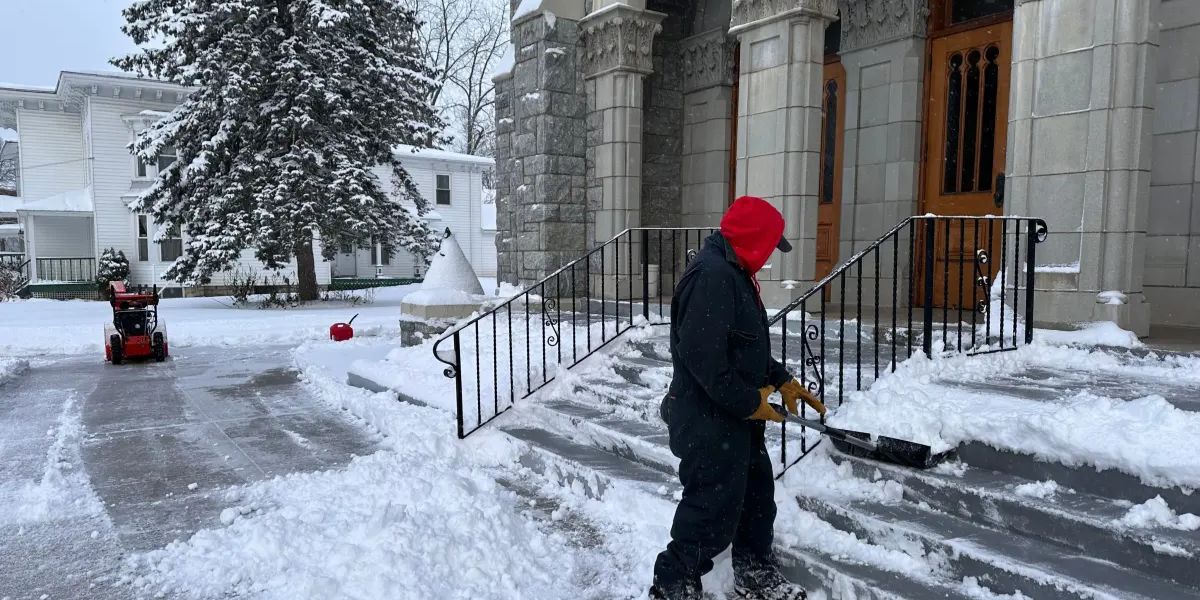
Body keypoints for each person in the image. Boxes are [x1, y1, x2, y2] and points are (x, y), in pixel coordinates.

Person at [651, 196, 827, 600]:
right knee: (710, 508)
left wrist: (780, 379)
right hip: (707, 420)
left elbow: (741, 346)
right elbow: (705, 360)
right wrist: (751, 402)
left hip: (733, 419)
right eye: (770, 246)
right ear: (753, 239)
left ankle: (754, 570)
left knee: (755, 498)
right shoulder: (712, 276)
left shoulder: (734, 271)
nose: (770, 256)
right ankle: (673, 582)